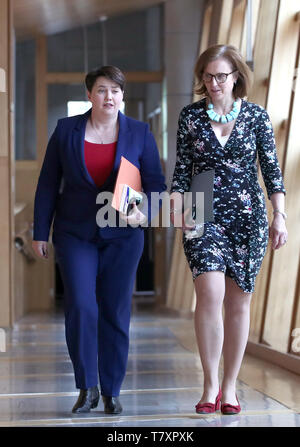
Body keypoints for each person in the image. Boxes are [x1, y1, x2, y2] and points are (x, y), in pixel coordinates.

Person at [32, 65, 166, 414]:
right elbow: (48, 182)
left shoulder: (139, 132)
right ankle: (87, 386)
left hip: (123, 235)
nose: (110, 97)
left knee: (116, 311)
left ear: (122, 95)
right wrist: (39, 231)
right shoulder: (66, 130)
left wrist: (145, 212)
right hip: (76, 232)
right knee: (80, 305)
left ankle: (112, 390)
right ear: (90, 94)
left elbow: (155, 184)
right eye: (103, 90)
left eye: (116, 91)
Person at [170, 44, 287, 415]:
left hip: (248, 216)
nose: (214, 82)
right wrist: (176, 205)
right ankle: (208, 384)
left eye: (220, 75)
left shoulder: (256, 117)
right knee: (209, 290)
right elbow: (182, 169)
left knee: (238, 302)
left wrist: (279, 214)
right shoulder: (191, 117)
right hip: (202, 211)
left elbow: (271, 170)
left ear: (236, 75)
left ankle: (230, 386)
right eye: (207, 76)